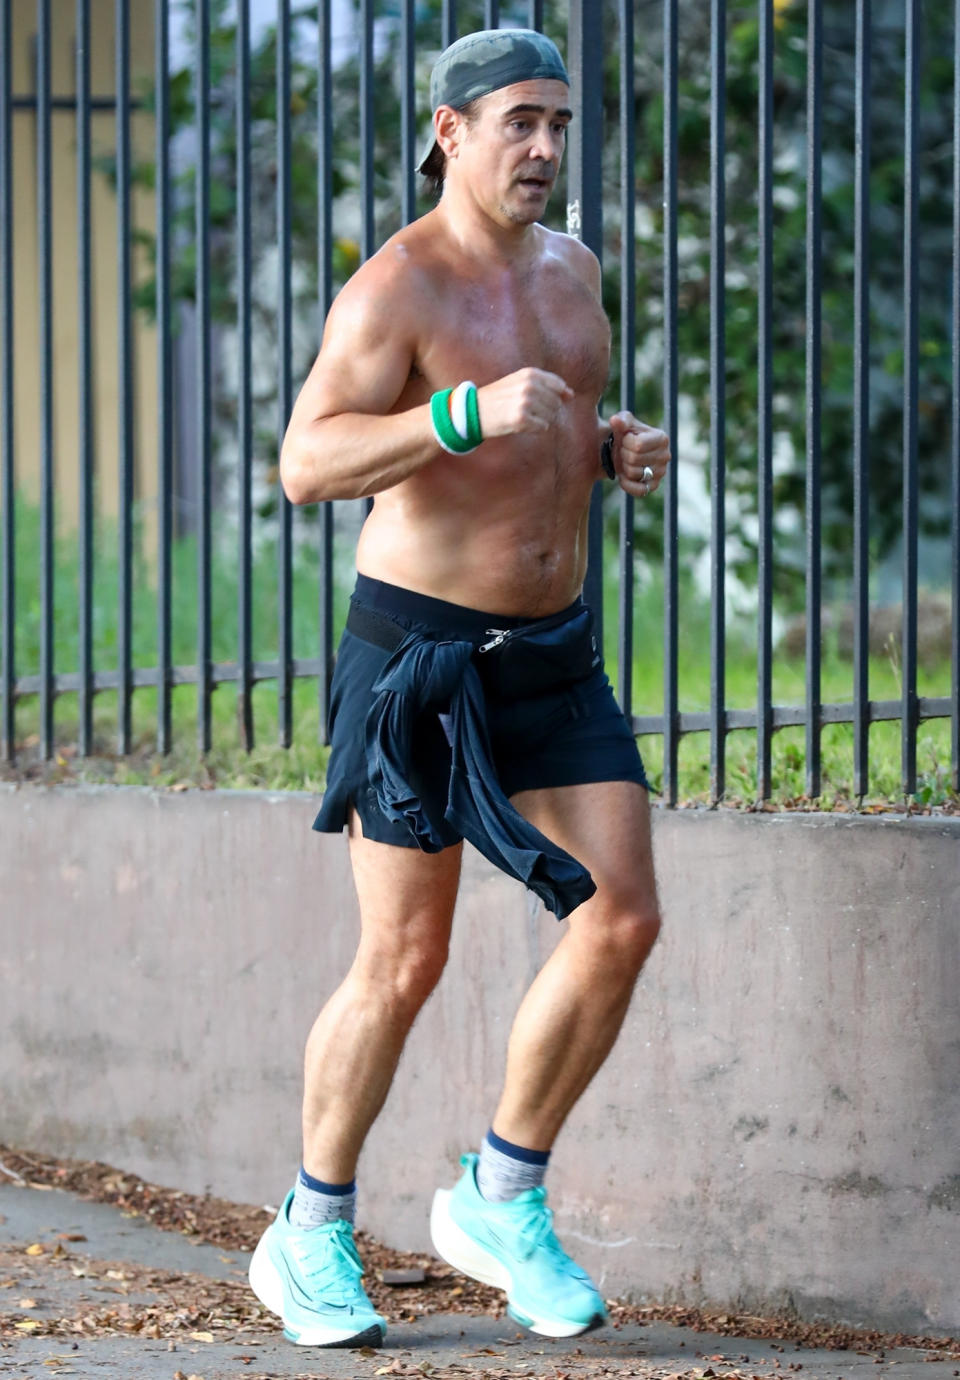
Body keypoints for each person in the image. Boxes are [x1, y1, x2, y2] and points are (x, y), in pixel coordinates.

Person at [248, 27, 671, 1351]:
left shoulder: (573, 273)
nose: (545, 147)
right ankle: (307, 1231)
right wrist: (452, 420)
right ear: (450, 131)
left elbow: (543, 436)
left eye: (558, 121)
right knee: (405, 956)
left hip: (549, 653)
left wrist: (609, 448)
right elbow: (306, 464)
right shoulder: (396, 292)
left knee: (620, 921)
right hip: (419, 658)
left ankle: (500, 1193)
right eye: (517, 124)